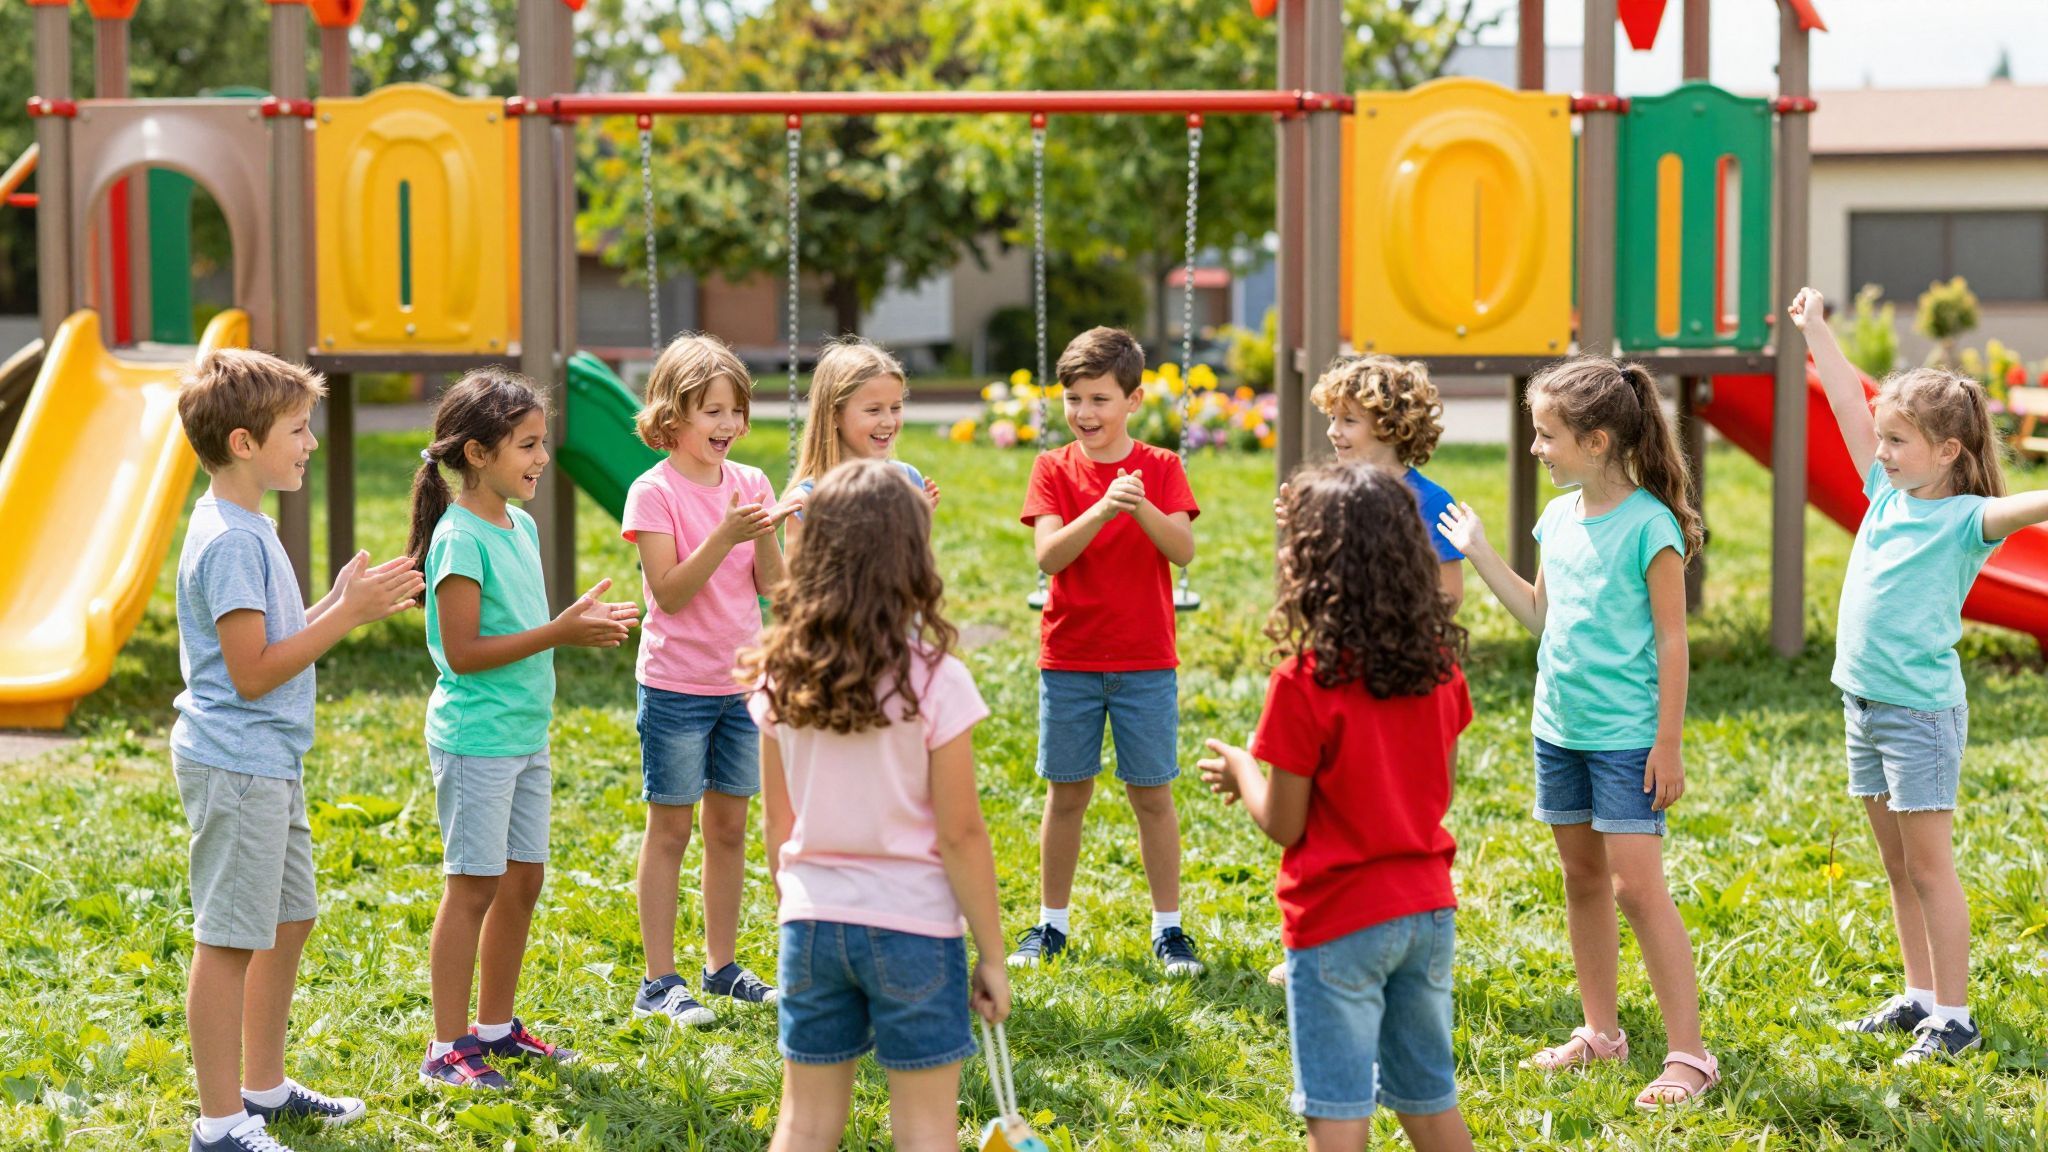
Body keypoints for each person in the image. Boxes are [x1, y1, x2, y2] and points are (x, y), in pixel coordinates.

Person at [1439, 356, 1718, 1109]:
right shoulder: (1558, 518)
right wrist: (1480, 550)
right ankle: (1601, 1033)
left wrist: (1668, 742)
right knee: (1583, 879)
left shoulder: (1651, 527)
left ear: (1597, 443)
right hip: (1558, 730)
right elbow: (1540, 615)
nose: (1536, 448)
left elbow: (1671, 642)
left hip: (1628, 737)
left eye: (1547, 435)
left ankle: (1689, 1055)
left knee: (1636, 888)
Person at [172, 349, 423, 1151]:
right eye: (298, 428)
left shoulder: (247, 526)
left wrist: (337, 604)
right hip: (238, 761)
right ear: (245, 443)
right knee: (229, 939)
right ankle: (219, 1125)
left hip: (267, 761)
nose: (310, 442)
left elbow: (271, 640)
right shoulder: (232, 542)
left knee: (288, 920)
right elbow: (251, 674)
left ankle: (263, 1087)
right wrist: (343, 619)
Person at [1790, 286, 2048, 1063]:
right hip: (1862, 706)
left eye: (1898, 441)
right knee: (1897, 867)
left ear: (1949, 453)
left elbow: (2029, 503)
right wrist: (1818, 331)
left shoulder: (1965, 520)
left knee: (1930, 869)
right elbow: (1843, 401)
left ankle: (1958, 1017)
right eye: (1882, 438)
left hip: (1920, 717)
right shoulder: (1881, 495)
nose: (1881, 451)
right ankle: (1921, 997)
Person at [1201, 461, 1476, 1152]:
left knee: (1338, 1114)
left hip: (1336, 920)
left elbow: (1285, 825)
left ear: (1311, 567)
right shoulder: (1442, 669)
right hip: (1426, 911)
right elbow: (1436, 792)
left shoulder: (1304, 683)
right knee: (1430, 1101)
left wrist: (1243, 770)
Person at [745, 459, 1009, 1151]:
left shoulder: (782, 673)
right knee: (925, 1130)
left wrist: (798, 904)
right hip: (915, 929)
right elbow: (961, 834)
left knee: (802, 1125)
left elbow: (778, 825)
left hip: (809, 921)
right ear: (912, 558)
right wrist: (993, 955)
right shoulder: (937, 680)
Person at [410, 368, 639, 1088]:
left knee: (522, 881)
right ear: (479, 454)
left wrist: (562, 628)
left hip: (523, 735)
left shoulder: (522, 523)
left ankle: (496, 1030)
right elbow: (464, 654)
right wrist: (559, 633)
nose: (542, 459)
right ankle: (448, 1047)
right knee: (472, 886)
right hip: (477, 738)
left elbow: (515, 628)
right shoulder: (458, 539)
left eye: (542, 443)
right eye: (528, 445)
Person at [1008, 327, 1204, 978]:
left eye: (1099, 398)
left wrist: (1139, 503)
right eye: (1073, 399)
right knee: (1067, 796)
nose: (1085, 413)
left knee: (1152, 796)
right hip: (1070, 658)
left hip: (1147, 660)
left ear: (1134, 399)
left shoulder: (1162, 468)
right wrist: (1100, 510)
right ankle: (1051, 924)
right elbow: (1048, 554)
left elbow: (1182, 551)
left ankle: (1169, 929)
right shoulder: (1053, 469)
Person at [626, 333, 799, 1026]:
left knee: (729, 829)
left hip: (743, 684)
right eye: (711, 412)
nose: (727, 425)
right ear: (673, 417)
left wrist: (772, 531)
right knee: (671, 830)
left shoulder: (751, 484)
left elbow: (773, 586)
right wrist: (724, 535)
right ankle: (658, 979)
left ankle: (721, 967)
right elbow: (668, 593)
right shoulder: (653, 492)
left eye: (735, 411)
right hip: (675, 688)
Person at [783, 335, 939, 560]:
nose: (888, 421)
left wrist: (918, 521)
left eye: (895, 408)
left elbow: (916, 574)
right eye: (874, 410)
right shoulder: (807, 501)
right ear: (835, 414)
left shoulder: (908, 480)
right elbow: (795, 588)